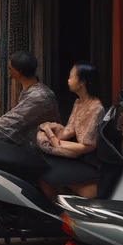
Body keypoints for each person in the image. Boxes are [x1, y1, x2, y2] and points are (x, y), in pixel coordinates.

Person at [37, 63, 106, 198]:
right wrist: (51, 131)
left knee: (45, 175)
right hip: (76, 154)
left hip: (87, 160)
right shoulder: (78, 102)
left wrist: (52, 140)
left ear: (82, 83)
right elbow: (70, 129)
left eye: (71, 77)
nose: (68, 80)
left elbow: (87, 146)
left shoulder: (96, 108)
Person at [0, 52, 59, 148]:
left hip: (38, 142)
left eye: (10, 69)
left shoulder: (38, 96)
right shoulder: (32, 89)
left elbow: (12, 121)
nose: (9, 72)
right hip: (28, 135)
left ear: (18, 72)